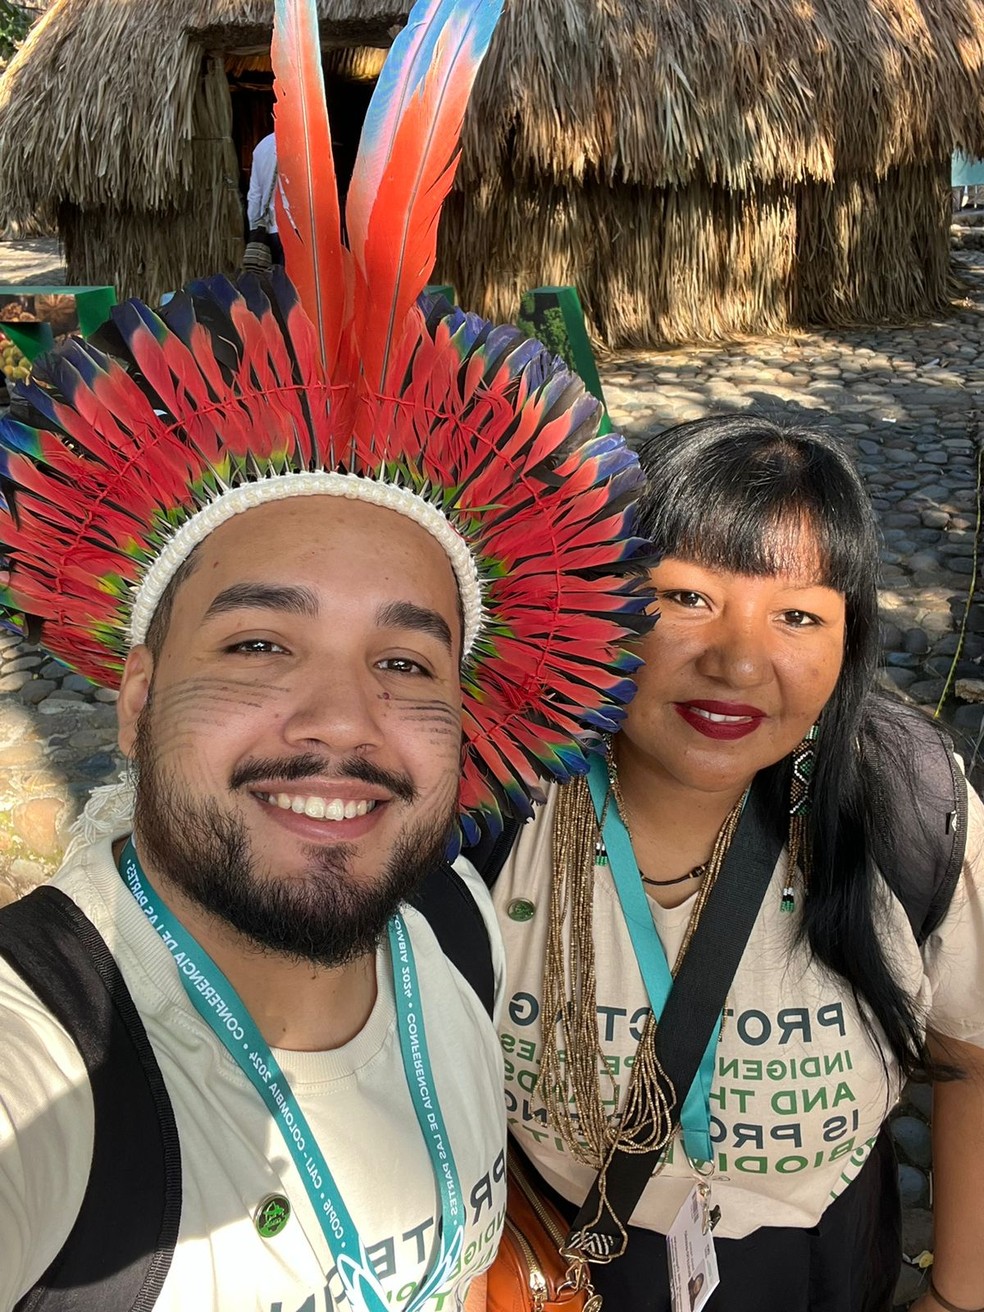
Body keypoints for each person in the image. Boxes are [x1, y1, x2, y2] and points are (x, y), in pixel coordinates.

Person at [0, 0, 653, 1307]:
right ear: (135, 695)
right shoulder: (49, 1048)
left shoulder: (453, 926)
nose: (341, 722)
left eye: (408, 663)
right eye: (259, 641)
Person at [491, 415, 984, 1312]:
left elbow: (974, 1055)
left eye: (798, 615)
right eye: (687, 597)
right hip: (563, 1264)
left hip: (823, 1264)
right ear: (604, 602)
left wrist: (957, 1295)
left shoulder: (903, 801)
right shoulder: (500, 798)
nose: (740, 661)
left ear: (848, 641)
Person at [245, 131, 283, 265]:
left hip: (270, 228)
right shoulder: (301, 142)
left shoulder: (262, 146)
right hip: (295, 229)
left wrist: (255, 230)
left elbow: (254, 195)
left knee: (274, 274)